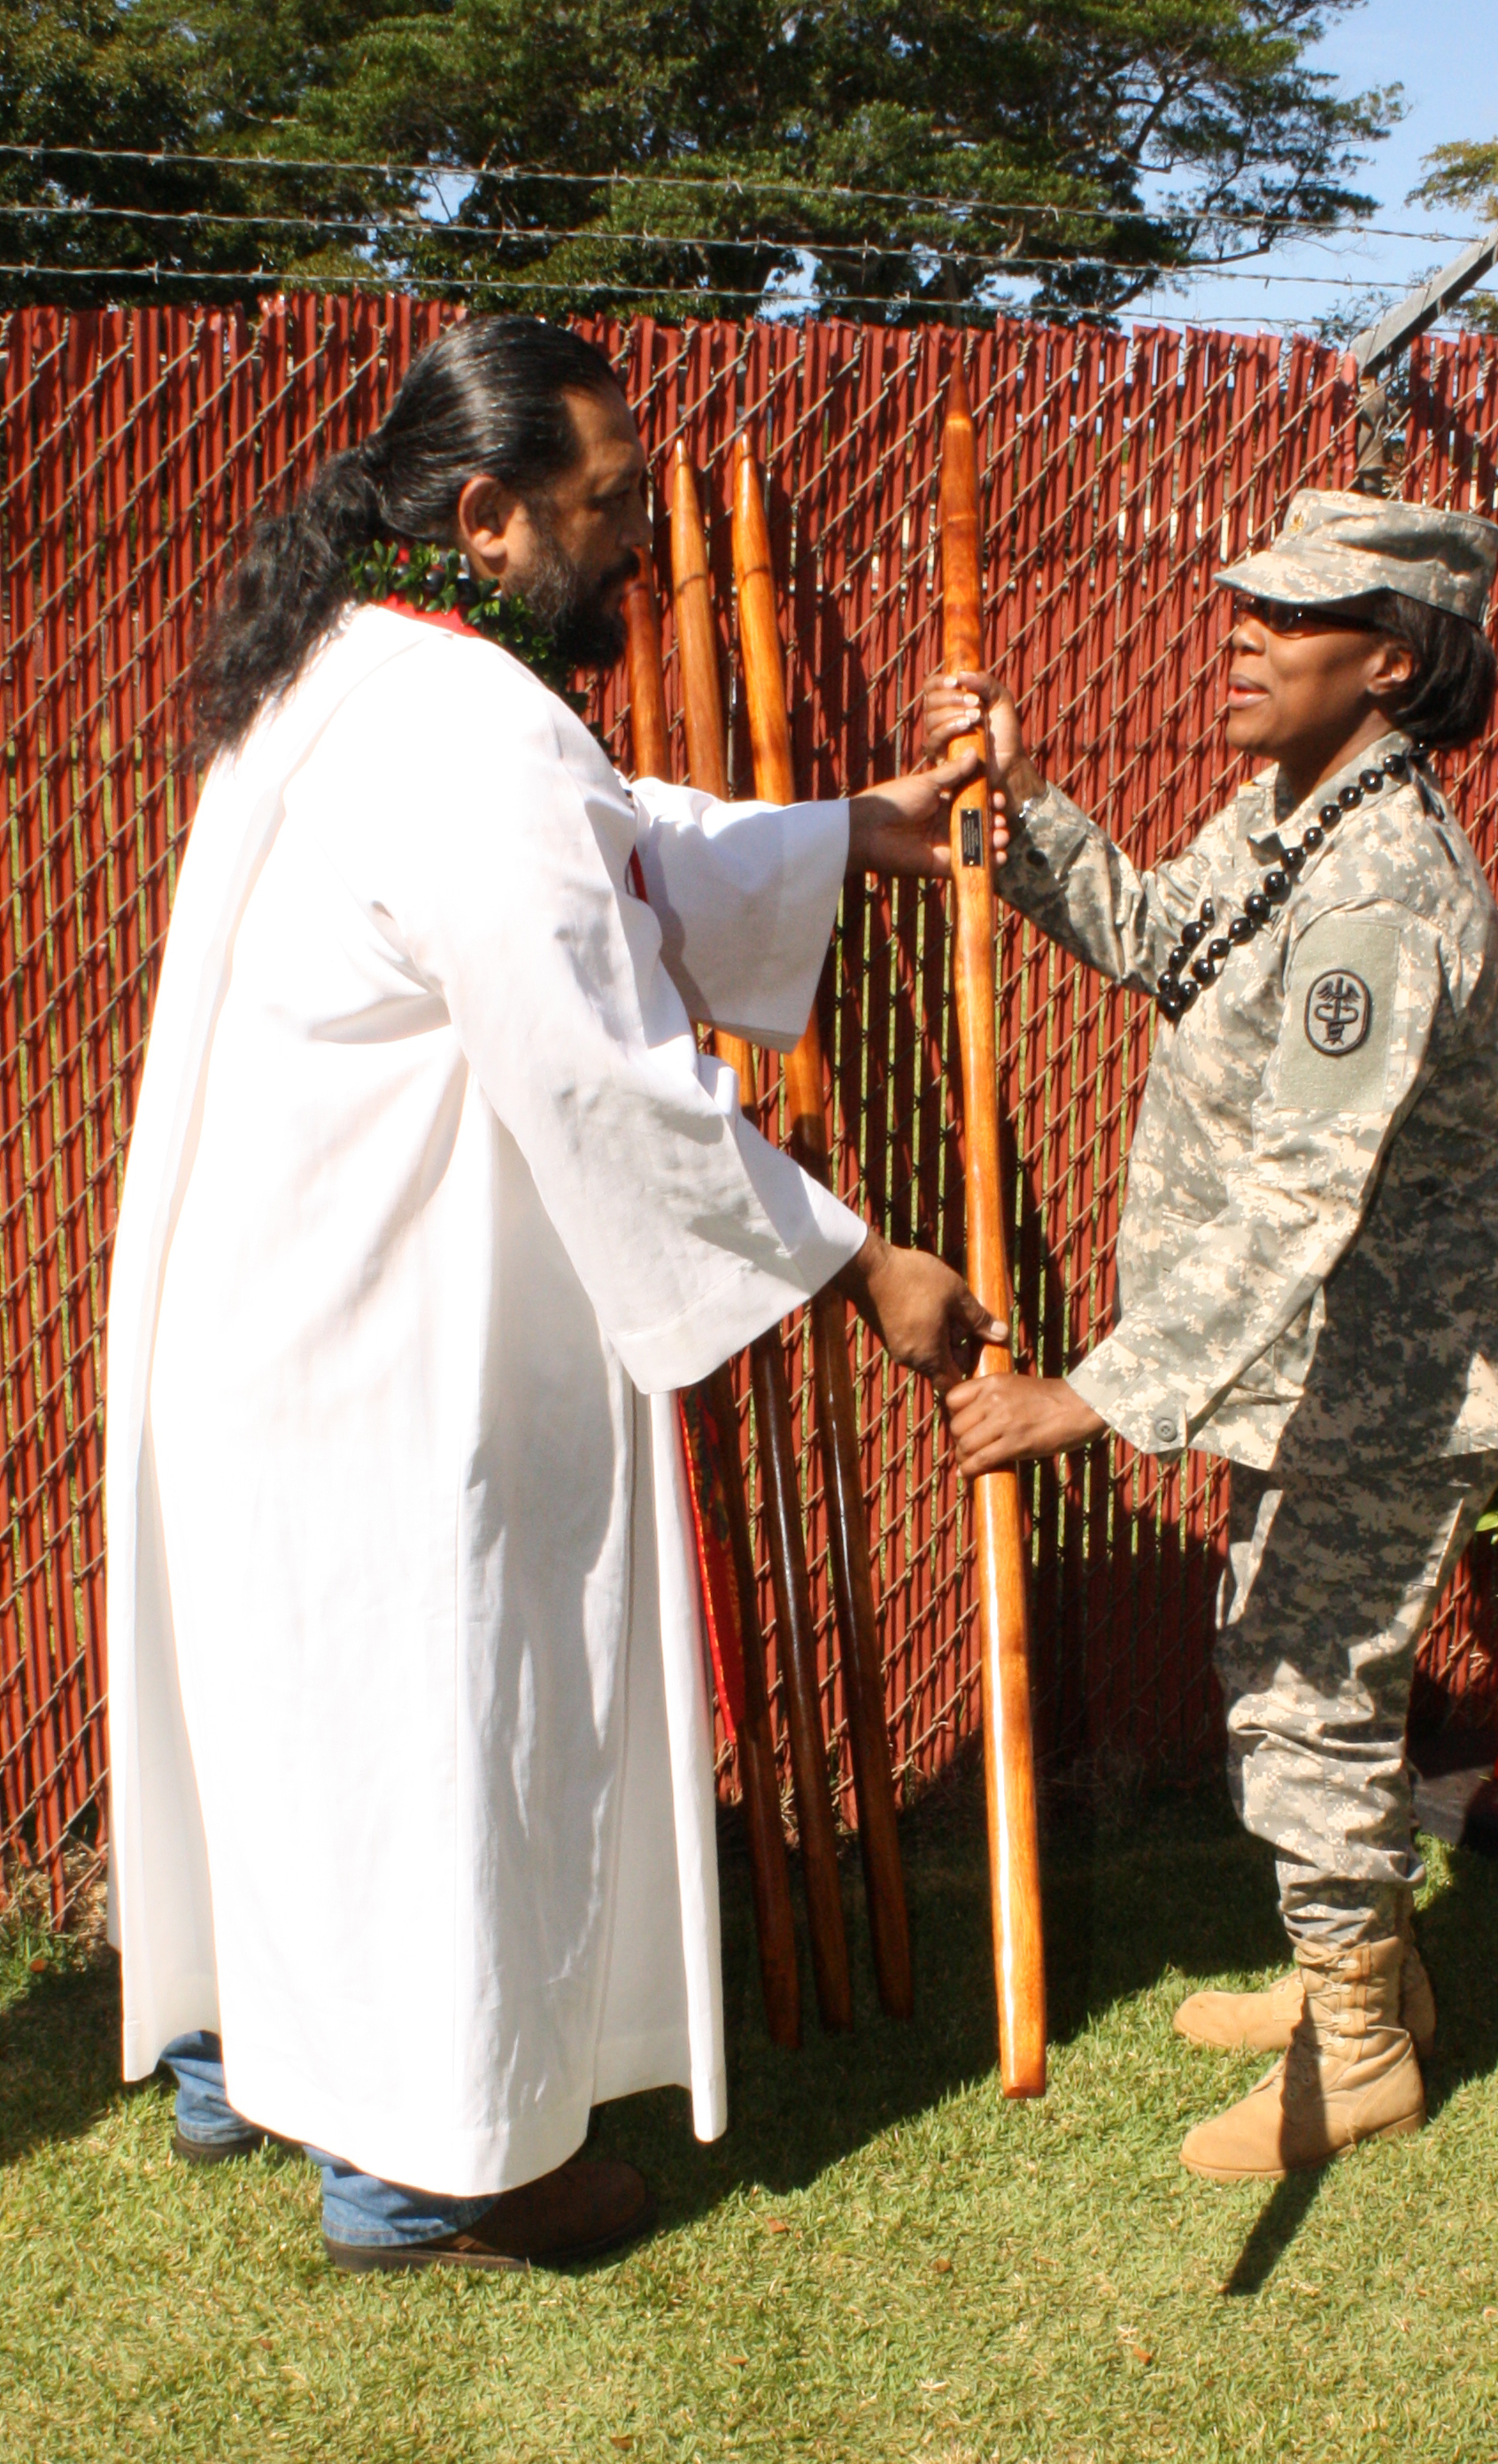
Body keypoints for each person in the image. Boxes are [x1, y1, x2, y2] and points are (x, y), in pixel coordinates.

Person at [106, 316, 1005, 2272]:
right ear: (489, 512)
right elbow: (602, 1059)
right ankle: (423, 2174)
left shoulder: (349, 675)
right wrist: (863, 1264)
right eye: (604, 511)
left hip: (265, 1328)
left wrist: (842, 826)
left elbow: (602, 844)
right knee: (431, 1716)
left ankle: (240, 2063)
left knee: (295, 1714)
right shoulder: (466, 723)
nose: (629, 548)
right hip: (393, 1347)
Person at [918, 489, 1498, 2183]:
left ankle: (1358, 2050)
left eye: (1290, 617)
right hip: (1330, 1364)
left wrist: (1097, 1394)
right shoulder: (1293, 813)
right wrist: (1023, 795)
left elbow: (1301, 1193)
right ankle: (1360, 1973)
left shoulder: (1380, 896)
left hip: (1401, 1373)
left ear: (1392, 658)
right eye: (1248, 605)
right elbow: (1152, 937)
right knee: (1289, 1661)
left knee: (1303, 1689)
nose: (1243, 632)